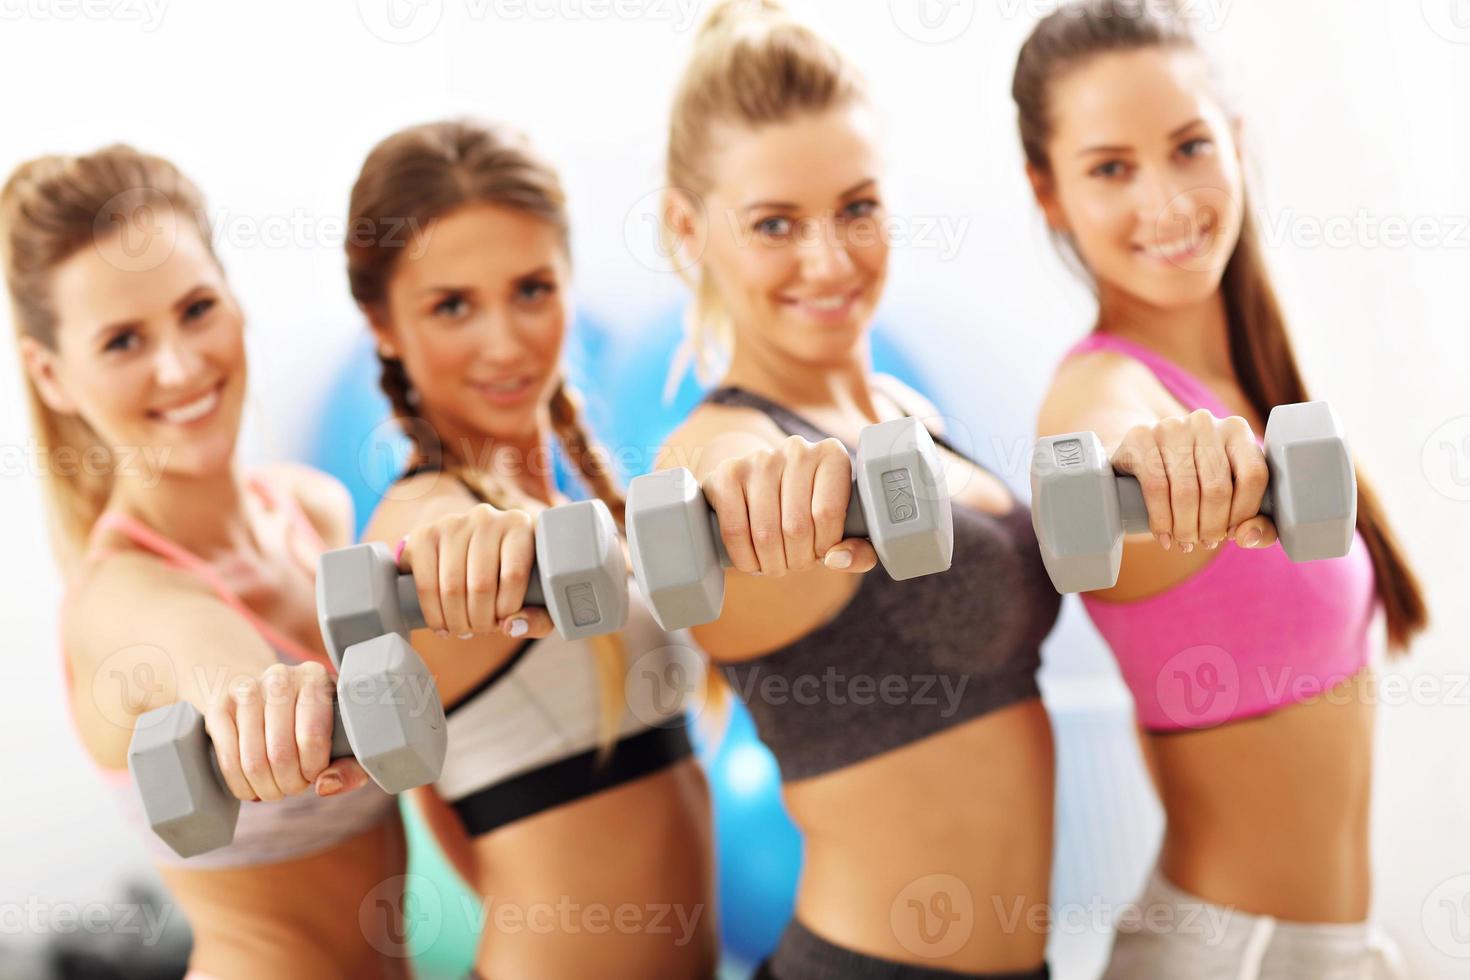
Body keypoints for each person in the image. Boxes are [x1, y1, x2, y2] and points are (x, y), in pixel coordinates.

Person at [1015, 2, 1428, 974]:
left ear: (1237, 142)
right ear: (1049, 192)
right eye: (1111, 167)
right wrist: (1153, 462)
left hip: (1328, 951)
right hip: (1225, 956)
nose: (1164, 201)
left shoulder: (1256, 379)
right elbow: (1096, 446)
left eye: (1189, 146)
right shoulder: (1101, 386)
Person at [656, 3, 1062, 977]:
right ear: (688, 227)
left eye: (858, 206)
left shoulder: (902, 406)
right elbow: (709, 482)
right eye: (775, 224)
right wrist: (757, 487)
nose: (829, 259)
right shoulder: (723, 440)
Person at [7, 145, 408, 979]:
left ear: (234, 300)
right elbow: (199, 646)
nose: (181, 366)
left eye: (196, 309)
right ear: (52, 374)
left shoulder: (310, 510)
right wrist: (254, 695)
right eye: (122, 341)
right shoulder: (116, 597)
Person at [345, 119, 718, 979]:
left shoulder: (575, 503)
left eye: (532, 289)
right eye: (452, 306)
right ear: (383, 324)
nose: (506, 342)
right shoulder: (427, 527)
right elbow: (434, 555)